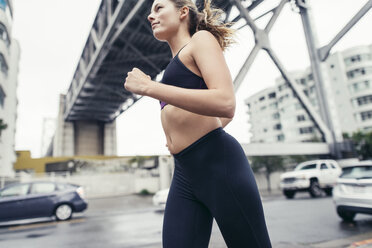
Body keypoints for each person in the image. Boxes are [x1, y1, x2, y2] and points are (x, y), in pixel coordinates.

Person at [124, 0, 272, 247]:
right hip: (184, 171)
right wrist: (186, 134)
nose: (151, 16)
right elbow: (221, 117)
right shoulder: (173, 64)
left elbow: (225, 103)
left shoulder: (201, 40)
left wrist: (150, 87)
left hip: (218, 163)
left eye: (158, 8)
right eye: (150, 12)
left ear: (183, 11)